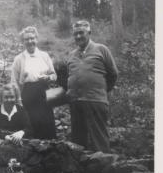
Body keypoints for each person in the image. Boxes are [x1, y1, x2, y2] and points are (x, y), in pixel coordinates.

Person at [67, 20, 118, 152]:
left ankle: (104, 170)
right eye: (75, 34)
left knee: (99, 139)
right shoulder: (72, 54)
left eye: (81, 33)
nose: (78, 36)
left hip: (96, 101)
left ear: (89, 33)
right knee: (78, 141)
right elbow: (69, 75)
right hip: (76, 102)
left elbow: (113, 74)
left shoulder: (101, 49)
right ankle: (81, 171)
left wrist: (100, 91)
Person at [11, 26, 57, 140]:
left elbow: (54, 75)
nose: (30, 41)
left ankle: (49, 152)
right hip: (28, 94)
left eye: (32, 38)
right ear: (23, 41)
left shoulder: (44, 55)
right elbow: (14, 81)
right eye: (26, 39)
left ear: (36, 39)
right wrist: (18, 99)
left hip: (44, 93)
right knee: (31, 124)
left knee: (47, 123)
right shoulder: (19, 59)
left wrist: (49, 77)